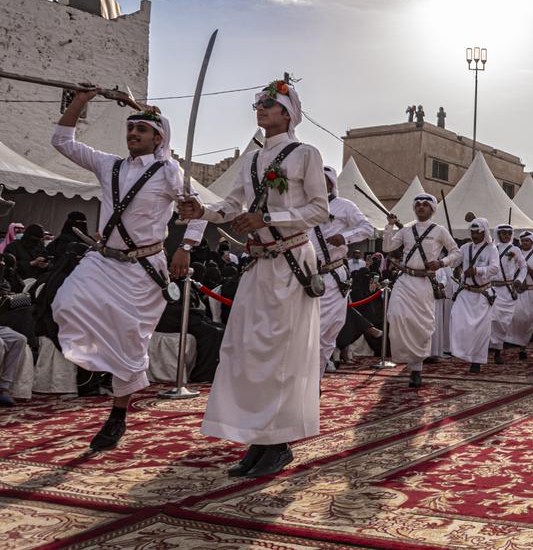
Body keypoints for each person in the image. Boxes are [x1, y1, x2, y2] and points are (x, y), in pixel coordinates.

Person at [179, 78, 329, 477]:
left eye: (268, 103)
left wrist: (269, 218)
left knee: (282, 352)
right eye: (258, 104)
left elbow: (320, 210)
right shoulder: (250, 159)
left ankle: (277, 443)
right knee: (247, 349)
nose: (260, 109)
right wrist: (203, 212)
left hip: (291, 262)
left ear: (288, 113)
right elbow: (232, 204)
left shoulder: (306, 154)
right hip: (258, 265)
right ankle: (257, 437)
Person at [52, 90, 205, 450]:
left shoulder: (168, 171)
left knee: (130, 341)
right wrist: (81, 100)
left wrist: (185, 247)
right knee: (65, 303)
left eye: (141, 129)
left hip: (144, 268)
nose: (133, 133)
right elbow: (62, 141)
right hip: (103, 260)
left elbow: (197, 212)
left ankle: (117, 414)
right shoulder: (109, 165)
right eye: (130, 128)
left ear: (158, 138)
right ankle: (95, 367)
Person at [381, 193, 460, 387]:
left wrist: (441, 262)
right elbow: (387, 247)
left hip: (424, 282)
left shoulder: (439, 230)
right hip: (405, 280)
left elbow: (456, 252)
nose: (421, 207)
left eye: (425, 204)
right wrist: (389, 226)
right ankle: (403, 356)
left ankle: (416, 368)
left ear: (432, 209)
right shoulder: (406, 230)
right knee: (396, 315)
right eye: (418, 204)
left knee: (421, 326)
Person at [310, 165, 376, 378]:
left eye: (323, 179)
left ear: (331, 183)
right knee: (306, 327)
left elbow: (367, 228)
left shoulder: (345, 206)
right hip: (303, 275)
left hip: (331, 275)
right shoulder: (302, 207)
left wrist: (345, 238)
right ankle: (309, 374)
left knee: (326, 327)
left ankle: (316, 373)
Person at [448, 218, 499, 372]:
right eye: (472, 232)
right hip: (465, 292)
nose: (474, 235)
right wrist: (451, 252)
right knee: (456, 318)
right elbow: (454, 262)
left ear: (484, 232)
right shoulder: (465, 248)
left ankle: (476, 360)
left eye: (477, 232)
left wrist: (477, 270)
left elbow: (495, 268)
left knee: (480, 329)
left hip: (482, 294)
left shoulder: (491, 249)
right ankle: (460, 351)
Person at [507, 231, 533, 360]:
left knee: (529, 319)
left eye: (527, 241)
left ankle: (523, 346)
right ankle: (512, 342)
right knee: (516, 316)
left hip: (531, 291)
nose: (525, 243)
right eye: (523, 241)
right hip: (518, 291)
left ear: (531, 242)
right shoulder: (515, 254)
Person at [488, 224, 525, 364]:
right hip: (492, 289)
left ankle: (498, 350)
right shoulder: (492, 249)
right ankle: (488, 347)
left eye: (509, 233)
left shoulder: (515, 250)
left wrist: (519, 279)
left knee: (503, 321)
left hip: (508, 290)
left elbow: (523, 267)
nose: (506, 236)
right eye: (503, 233)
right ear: (498, 234)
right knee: (492, 319)